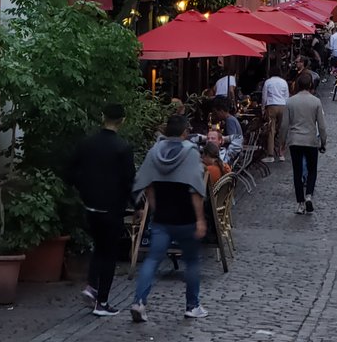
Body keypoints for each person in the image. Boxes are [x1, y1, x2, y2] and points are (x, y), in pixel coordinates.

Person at [130, 115, 208, 323]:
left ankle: (139, 301)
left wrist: (155, 207)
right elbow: (194, 189)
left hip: (162, 218)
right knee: (191, 262)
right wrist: (200, 219)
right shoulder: (190, 153)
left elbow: (146, 183)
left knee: (152, 260)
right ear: (184, 132)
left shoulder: (154, 152)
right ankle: (193, 305)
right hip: (186, 219)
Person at [67, 102, 135, 317]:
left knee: (99, 247)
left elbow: (71, 172)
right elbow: (128, 181)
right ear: (122, 120)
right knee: (109, 253)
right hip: (112, 208)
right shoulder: (123, 148)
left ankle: (91, 286)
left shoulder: (87, 144)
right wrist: (137, 205)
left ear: (103, 116)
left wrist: (84, 190)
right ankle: (102, 302)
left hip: (90, 205)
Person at [279, 71, 328, 214]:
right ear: (311, 85)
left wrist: (281, 142)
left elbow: (284, 125)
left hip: (295, 140)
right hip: (311, 140)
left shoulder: (290, 101)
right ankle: (309, 195)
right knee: (312, 170)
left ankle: (300, 203)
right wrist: (323, 142)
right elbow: (322, 125)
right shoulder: (316, 101)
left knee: (297, 172)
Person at [260, 66, 290, 163]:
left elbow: (264, 96)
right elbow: (287, 96)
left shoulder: (268, 82)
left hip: (271, 105)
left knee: (271, 130)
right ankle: (281, 154)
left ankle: (270, 154)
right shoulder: (284, 82)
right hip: (282, 106)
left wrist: (263, 108)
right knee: (282, 130)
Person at [211, 96, 243, 163]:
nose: (215, 115)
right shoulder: (231, 119)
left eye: (216, 112)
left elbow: (231, 139)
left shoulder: (229, 121)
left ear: (221, 111)